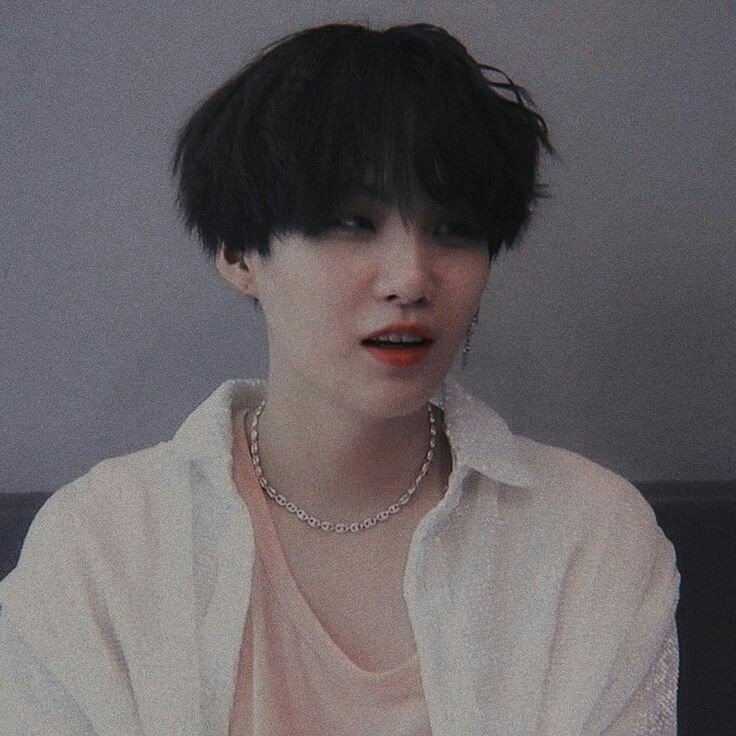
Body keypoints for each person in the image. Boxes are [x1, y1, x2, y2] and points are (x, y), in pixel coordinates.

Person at [0, 22, 679, 736]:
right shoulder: (102, 548)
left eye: (453, 229)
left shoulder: (590, 539)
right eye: (353, 222)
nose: (410, 279)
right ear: (239, 253)